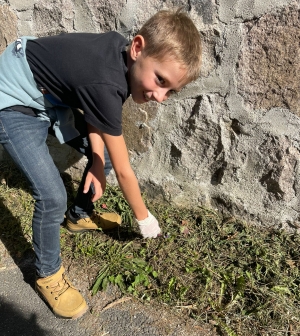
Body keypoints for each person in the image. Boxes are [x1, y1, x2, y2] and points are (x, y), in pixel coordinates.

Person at [0, 8, 202, 319]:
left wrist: (96, 161)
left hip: (49, 96)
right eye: (160, 80)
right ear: (137, 48)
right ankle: (47, 274)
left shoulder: (120, 60)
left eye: (170, 91)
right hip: (14, 98)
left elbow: (95, 110)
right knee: (52, 196)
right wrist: (147, 224)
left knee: (103, 155)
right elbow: (124, 172)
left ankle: (78, 215)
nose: (160, 96)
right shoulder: (107, 81)